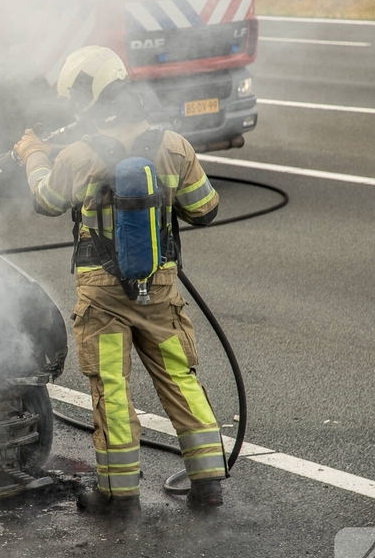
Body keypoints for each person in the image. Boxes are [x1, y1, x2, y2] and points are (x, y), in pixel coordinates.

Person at [13, 45, 228, 514]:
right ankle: (209, 482)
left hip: (103, 295)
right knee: (180, 379)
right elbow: (205, 210)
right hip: (161, 288)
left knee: (111, 387)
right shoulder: (174, 145)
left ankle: (119, 493)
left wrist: (33, 156)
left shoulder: (79, 155)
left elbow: (46, 200)